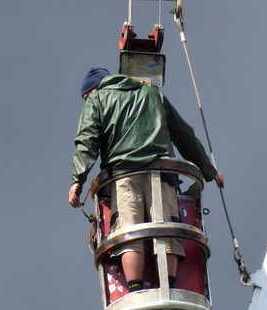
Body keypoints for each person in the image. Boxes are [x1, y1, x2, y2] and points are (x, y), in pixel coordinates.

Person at [69, 68, 224, 291]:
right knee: (166, 230)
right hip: (162, 175)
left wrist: (77, 180)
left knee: (129, 233)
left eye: (86, 97)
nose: (86, 101)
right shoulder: (152, 93)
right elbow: (185, 135)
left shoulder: (97, 100)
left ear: (93, 89)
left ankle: (134, 291)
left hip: (125, 176)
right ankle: (168, 288)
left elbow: (87, 141)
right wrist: (210, 171)